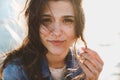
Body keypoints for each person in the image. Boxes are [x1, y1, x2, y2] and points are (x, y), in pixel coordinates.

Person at [0, 0, 104, 80]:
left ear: (79, 26)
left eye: (67, 20)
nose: (57, 32)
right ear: (35, 25)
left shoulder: (85, 67)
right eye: (46, 20)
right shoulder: (16, 69)